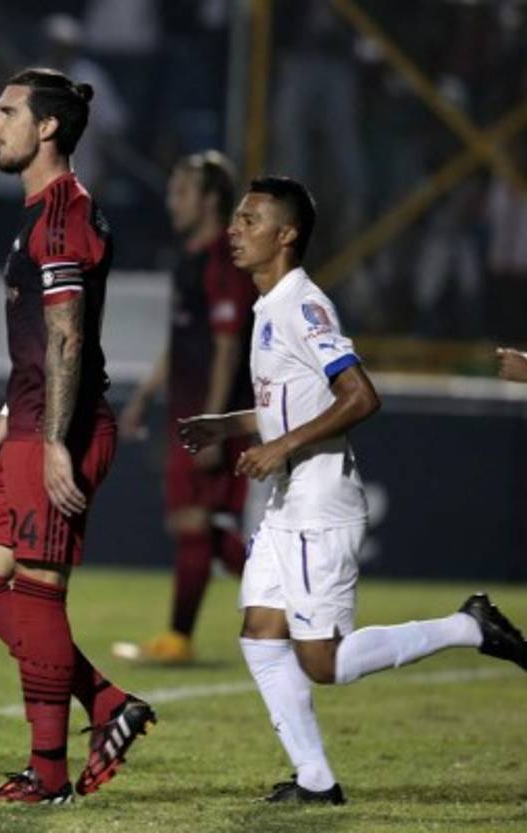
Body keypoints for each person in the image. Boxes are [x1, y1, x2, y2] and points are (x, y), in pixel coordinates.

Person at [179, 176, 527, 805]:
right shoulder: (268, 306)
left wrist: (283, 447)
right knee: (260, 630)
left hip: (320, 501)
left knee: (324, 663)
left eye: (250, 219)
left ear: (286, 235)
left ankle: (467, 628)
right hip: (289, 502)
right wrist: (228, 425)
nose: (235, 228)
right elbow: (294, 403)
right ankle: (315, 781)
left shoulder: (301, 305)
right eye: (235, 218)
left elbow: (361, 395)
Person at [0, 68, 155, 805]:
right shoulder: (40, 210)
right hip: (33, 423)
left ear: (46, 128)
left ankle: (48, 776)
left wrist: (54, 440)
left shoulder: (64, 214)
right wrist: (10, 418)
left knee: (38, 598)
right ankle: (107, 703)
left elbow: (69, 338)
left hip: (58, 431)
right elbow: (43, 341)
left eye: (5, 112)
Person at [112, 151, 256, 664]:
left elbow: (227, 345)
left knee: (198, 521)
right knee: (201, 528)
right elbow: (183, 340)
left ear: (210, 199)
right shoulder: (190, 259)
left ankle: (180, 638)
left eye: (182, 192)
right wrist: (146, 395)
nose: (172, 202)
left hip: (211, 416)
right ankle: (293, 606)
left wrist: (214, 427)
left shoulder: (223, 260)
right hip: (189, 413)